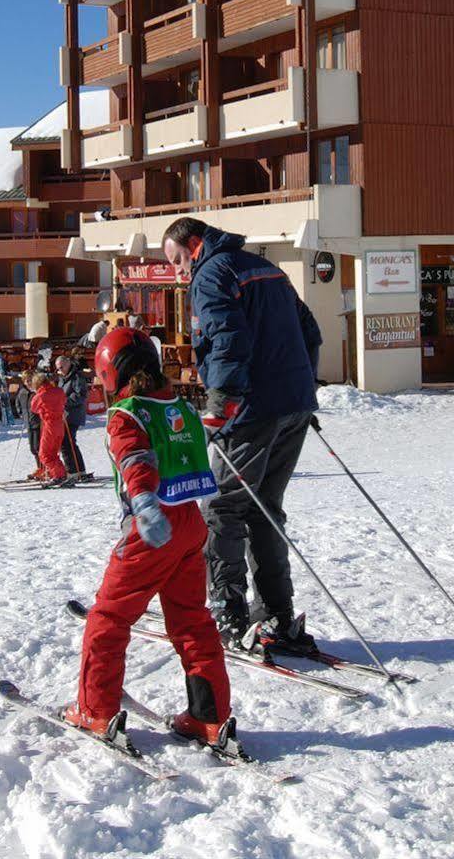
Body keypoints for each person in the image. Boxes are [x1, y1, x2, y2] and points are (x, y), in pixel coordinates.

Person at [63, 328, 237, 753]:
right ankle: (208, 717)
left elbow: (135, 458)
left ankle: (96, 709)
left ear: (110, 373)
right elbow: (199, 432)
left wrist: (143, 503)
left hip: (151, 529)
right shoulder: (178, 403)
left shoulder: (127, 413)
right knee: (192, 621)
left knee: (108, 619)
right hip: (191, 526)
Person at [161, 217, 323, 650]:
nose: (178, 272)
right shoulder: (263, 266)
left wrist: (221, 402)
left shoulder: (211, 273)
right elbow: (309, 330)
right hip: (293, 404)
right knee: (264, 507)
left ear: (194, 245)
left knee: (223, 507)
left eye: (177, 260)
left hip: (251, 408)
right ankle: (276, 611)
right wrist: (302, 384)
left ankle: (228, 612)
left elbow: (227, 338)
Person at [27, 371, 69, 484]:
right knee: (53, 453)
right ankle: (59, 473)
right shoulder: (59, 391)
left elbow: (34, 408)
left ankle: (59, 475)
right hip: (60, 425)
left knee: (44, 454)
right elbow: (64, 401)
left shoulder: (39, 396)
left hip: (49, 426)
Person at [55, 352, 92, 477]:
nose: (60, 371)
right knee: (67, 442)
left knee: (67, 442)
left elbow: (80, 394)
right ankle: (77, 469)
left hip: (73, 414)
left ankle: (73, 470)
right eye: (58, 369)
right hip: (65, 414)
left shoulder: (76, 376)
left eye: (62, 367)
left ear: (68, 363)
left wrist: (64, 402)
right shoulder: (64, 378)